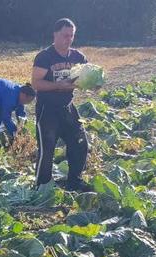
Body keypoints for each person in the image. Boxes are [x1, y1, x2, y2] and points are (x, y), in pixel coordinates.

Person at [31, 18, 91, 192]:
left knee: (80, 143)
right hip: (47, 109)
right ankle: (42, 187)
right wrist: (58, 85)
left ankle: (74, 181)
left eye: (71, 36)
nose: (68, 39)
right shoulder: (44, 57)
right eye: (65, 35)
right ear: (55, 34)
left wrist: (93, 83)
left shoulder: (78, 57)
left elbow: (84, 79)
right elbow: (36, 83)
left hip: (68, 107)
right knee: (47, 149)